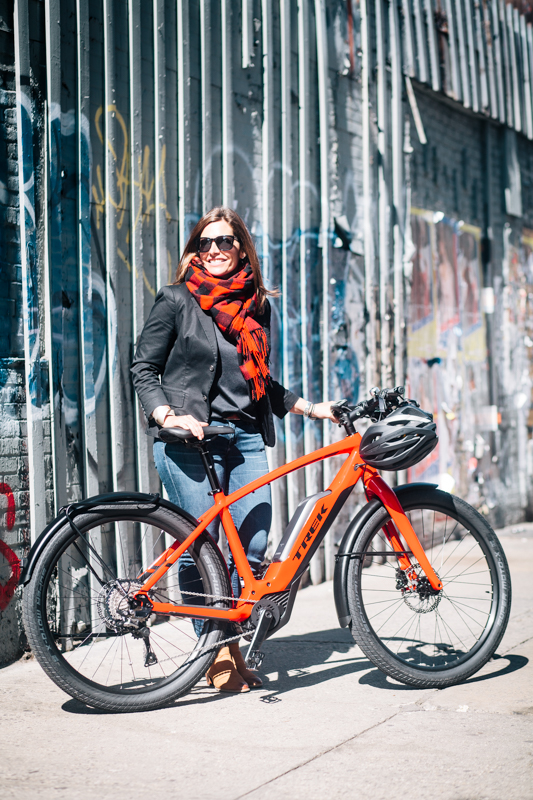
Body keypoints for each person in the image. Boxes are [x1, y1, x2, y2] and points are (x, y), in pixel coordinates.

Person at [131, 207, 336, 693]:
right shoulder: (177, 301)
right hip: (191, 440)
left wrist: (310, 407)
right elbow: (143, 367)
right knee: (199, 549)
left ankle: (232, 643)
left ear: (242, 246)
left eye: (224, 241)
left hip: (244, 438)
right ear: (193, 252)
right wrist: (166, 415)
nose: (215, 251)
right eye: (204, 244)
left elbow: (259, 380)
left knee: (255, 545)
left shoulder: (257, 306)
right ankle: (214, 653)